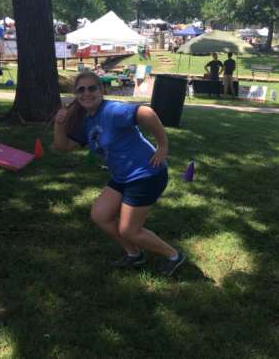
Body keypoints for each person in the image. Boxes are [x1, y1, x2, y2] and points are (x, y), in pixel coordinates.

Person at [54, 71, 186, 277]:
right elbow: (63, 147)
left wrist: (162, 145)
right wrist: (59, 124)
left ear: (102, 90)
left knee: (129, 230)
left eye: (92, 88)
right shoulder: (86, 120)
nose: (86, 93)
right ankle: (134, 254)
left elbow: (146, 113)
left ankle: (174, 255)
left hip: (147, 173)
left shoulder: (112, 110)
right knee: (100, 215)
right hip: (122, 176)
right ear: (76, 95)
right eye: (81, 90)